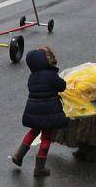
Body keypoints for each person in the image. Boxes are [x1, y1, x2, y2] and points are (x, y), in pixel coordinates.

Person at [10, 47, 68, 177]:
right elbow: (62, 86)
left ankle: (18, 155)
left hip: (34, 109)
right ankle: (39, 167)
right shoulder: (51, 75)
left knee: (33, 131)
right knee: (46, 136)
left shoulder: (32, 77)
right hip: (49, 110)